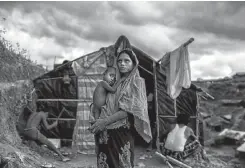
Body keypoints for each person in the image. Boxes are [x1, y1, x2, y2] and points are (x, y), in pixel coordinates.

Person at [89, 47, 152, 168]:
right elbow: (102, 103)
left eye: (126, 61)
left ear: (134, 63)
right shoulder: (115, 82)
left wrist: (104, 121)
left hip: (121, 132)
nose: (122, 63)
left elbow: (129, 110)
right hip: (103, 132)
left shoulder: (137, 82)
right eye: (119, 61)